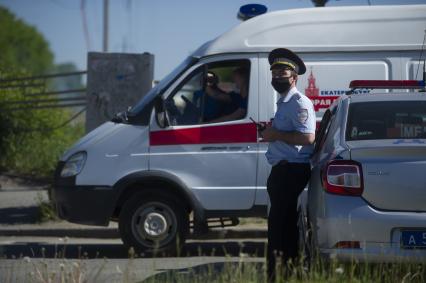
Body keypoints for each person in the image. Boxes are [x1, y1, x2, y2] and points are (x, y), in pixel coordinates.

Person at [260, 48, 315, 281]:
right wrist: (272, 133)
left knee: (279, 226)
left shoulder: (299, 102)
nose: (278, 76)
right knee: (283, 226)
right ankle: (288, 272)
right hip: (283, 170)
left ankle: (277, 274)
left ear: (295, 77)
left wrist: (275, 135)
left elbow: (307, 137)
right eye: (274, 72)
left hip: (291, 170)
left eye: (283, 72)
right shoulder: (284, 102)